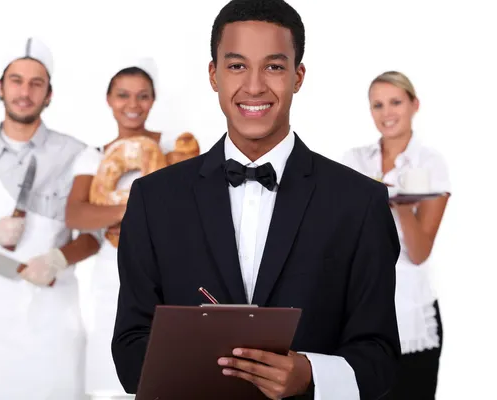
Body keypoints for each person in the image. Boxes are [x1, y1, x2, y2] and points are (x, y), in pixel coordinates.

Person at [111, 1, 402, 399]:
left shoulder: (360, 202)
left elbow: (380, 358)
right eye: (236, 66)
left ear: (298, 76)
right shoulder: (152, 199)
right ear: (213, 75)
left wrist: (310, 373)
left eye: (274, 66)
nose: (253, 86)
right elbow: (129, 350)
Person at [0, 37, 98, 400]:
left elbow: (95, 236)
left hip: (58, 326)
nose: (25, 91)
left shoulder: (77, 155)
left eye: (36, 83)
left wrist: (57, 259)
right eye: (16, 80)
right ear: (1, 87)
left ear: (49, 94)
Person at [65, 57, 198, 399]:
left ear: (153, 100)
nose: (133, 105)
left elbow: (191, 212)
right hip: (111, 279)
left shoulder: (177, 145)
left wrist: (110, 212)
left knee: (171, 375)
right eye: (123, 95)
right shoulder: (93, 156)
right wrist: (140, 206)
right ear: (109, 99)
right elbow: (76, 215)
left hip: (172, 274)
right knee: (111, 380)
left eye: (142, 96)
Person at [341, 71, 450, 400]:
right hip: (360, 307)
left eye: (395, 102)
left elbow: (419, 253)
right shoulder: (355, 160)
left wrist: (401, 206)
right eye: (377, 105)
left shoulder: (430, 163)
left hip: (409, 311)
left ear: (414, 104)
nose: (386, 113)